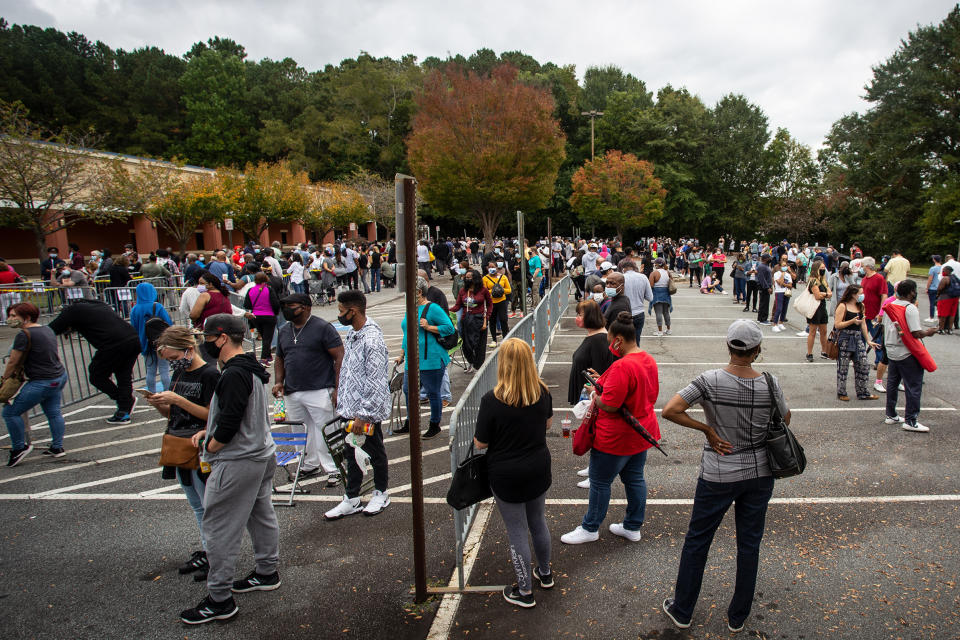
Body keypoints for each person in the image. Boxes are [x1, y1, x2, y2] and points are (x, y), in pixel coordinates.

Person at [661, 319, 789, 633]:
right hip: (760, 472)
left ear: (729, 346)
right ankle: (737, 616)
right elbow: (784, 419)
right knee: (749, 544)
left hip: (718, 472)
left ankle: (683, 609)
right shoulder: (769, 383)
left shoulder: (709, 380)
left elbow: (670, 410)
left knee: (697, 541)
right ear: (757, 350)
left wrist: (707, 428)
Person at [179, 314, 280, 625]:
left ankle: (220, 599)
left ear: (221, 338)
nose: (203, 343)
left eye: (207, 337)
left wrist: (212, 444)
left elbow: (231, 420)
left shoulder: (234, 373)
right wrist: (210, 433)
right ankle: (267, 570)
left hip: (239, 460)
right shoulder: (253, 368)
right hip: (261, 453)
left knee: (219, 527)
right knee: (261, 514)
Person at [561, 311, 659, 545]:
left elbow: (611, 405)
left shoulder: (622, 366)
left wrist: (595, 394)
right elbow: (647, 394)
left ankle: (590, 527)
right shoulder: (647, 359)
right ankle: (632, 525)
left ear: (618, 340)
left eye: (610, 342)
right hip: (641, 432)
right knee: (635, 479)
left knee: (600, 482)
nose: (609, 346)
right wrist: (603, 381)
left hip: (615, 437)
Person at [474, 338, 554, 608]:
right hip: (537, 467)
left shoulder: (492, 400)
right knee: (538, 521)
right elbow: (547, 423)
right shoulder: (542, 392)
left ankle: (524, 591)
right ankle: (545, 574)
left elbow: (481, 443)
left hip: (506, 472)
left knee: (517, 530)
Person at [148, 326, 221, 579]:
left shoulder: (209, 374)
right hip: (178, 444)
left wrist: (179, 401)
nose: (172, 364)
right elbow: (173, 415)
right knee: (197, 506)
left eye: (174, 359)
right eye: (168, 361)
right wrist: (161, 405)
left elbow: (212, 416)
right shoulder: (179, 375)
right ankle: (208, 551)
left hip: (200, 448)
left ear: (188, 349)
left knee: (208, 506)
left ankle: (216, 557)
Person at [324, 290, 392, 519]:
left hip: (365, 413)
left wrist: (363, 414)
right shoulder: (354, 334)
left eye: (341, 311)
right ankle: (351, 497)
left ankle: (381, 492)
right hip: (350, 408)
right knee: (350, 451)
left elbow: (375, 381)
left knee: (374, 451)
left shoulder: (371, 339)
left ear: (353, 311)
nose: (339, 315)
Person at [272, 293, 343, 484]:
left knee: (325, 429)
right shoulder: (285, 330)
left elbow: (339, 357)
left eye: (291, 306)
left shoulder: (322, 328)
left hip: (320, 388)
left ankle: (334, 468)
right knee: (300, 431)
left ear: (306, 307)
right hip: (292, 390)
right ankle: (308, 465)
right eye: (285, 306)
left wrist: (338, 387)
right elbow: (280, 358)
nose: (287, 310)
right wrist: (279, 381)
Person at [48, 298, 140, 423]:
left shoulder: (71, 311)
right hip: (132, 338)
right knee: (123, 375)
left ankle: (125, 402)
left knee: (97, 375)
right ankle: (124, 410)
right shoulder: (98, 304)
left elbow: (50, 330)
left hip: (112, 344)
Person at [2, 303, 68, 466]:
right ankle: (57, 447)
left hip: (43, 381)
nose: (10, 319)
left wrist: (4, 379)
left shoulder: (24, 335)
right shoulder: (46, 329)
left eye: (14, 316)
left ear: (27, 317)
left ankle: (19, 448)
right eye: (10, 315)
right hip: (58, 376)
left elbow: (13, 361)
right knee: (53, 411)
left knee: (10, 413)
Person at [395, 277, 455, 439]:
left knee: (433, 392)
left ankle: (434, 425)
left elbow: (449, 328)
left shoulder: (432, 308)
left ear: (419, 292)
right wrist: (401, 354)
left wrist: (429, 327)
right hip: (412, 360)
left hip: (432, 359)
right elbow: (407, 333)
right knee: (408, 390)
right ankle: (411, 422)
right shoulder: (411, 308)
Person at [883, 279, 938, 432]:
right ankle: (911, 420)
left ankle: (891, 415)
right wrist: (929, 332)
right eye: (914, 291)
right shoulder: (910, 308)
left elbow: (885, 328)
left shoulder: (889, 306)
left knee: (892, 384)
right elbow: (916, 333)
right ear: (911, 292)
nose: (915, 294)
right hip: (906, 352)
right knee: (913, 385)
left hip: (892, 350)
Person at [833, 285, 881, 401]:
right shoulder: (842, 306)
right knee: (843, 367)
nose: (862, 295)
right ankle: (841, 392)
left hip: (858, 338)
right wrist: (852, 321)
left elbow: (863, 324)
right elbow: (837, 324)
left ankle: (863, 392)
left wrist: (868, 340)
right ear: (853, 294)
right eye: (860, 293)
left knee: (863, 365)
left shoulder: (861, 306)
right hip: (845, 338)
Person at [130, 282, 173, 393]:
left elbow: (133, 327)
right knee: (164, 369)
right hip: (161, 341)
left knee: (150, 370)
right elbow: (167, 323)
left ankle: (151, 394)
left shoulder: (135, 309)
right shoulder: (157, 306)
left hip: (144, 342)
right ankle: (167, 392)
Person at [450, 269, 492, 373]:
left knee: (479, 345)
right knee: (466, 345)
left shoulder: (483, 290)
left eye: (469, 277)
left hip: (479, 321)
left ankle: (478, 366)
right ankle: (471, 362)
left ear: (476, 278)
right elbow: (457, 306)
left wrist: (487, 317)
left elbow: (490, 304)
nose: (467, 279)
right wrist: (446, 310)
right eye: (466, 277)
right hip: (466, 321)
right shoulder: (463, 291)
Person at [860, 257, 888, 392]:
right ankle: (861, 360)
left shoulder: (879, 279)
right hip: (864, 314)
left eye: (862, 265)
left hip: (874, 315)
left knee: (877, 340)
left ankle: (879, 362)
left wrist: (881, 312)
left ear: (867, 266)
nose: (861, 267)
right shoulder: (864, 279)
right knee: (861, 340)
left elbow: (884, 295)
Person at [243, 272, 281, 365]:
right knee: (267, 338)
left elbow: (247, 304)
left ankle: (268, 356)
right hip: (269, 315)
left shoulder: (250, 290)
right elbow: (275, 303)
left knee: (264, 336)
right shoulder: (269, 289)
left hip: (255, 316)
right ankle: (264, 358)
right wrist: (275, 313)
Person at [803, 260, 832, 362]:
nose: (823, 270)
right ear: (816, 269)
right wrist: (825, 294)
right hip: (814, 308)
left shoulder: (823, 280)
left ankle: (824, 351)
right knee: (812, 331)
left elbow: (829, 292)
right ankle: (809, 353)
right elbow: (817, 295)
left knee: (824, 331)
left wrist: (824, 294)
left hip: (822, 307)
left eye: (824, 268)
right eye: (821, 269)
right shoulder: (813, 281)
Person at [620, 259, 653, 338]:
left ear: (623, 268)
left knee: (624, 340)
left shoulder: (621, 278)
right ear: (634, 267)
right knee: (636, 340)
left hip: (624, 313)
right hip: (639, 312)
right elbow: (650, 297)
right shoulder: (643, 277)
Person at [483, 262, 511, 348]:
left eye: (493, 267)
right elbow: (484, 291)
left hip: (502, 301)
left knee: (503, 319)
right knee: (492, 321)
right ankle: (494, 339)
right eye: (489, 267)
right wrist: (493, 291)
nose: (491, 268)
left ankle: (505, 338)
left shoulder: (503, 277)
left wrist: (500, 290)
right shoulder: (485, 278)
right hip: (491, 302)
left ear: (496, 267)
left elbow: (509, 290)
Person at [649, 258, 673, 336]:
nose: (654, 264)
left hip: (657, 294)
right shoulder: (668, 272)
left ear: (657, 264)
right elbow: (671, 282)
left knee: (658, 313)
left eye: (655, 263)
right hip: (666, 294)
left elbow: (651, 285)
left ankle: (660, 331)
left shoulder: (654, 273)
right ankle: (668, 329)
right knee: (666, 312)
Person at [935, 265, 959, 334]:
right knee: (952, 314)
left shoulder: (945, 278)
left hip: (945, 298)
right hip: (955, 298)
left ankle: (941, 329)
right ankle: (949, 329)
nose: (942, 272)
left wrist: (937, 295)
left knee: (943, 314)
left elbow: (939, 288)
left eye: (943, 270)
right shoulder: (955, 277)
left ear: (947, 271)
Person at [771, 261, 792, 332]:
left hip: (786, 292)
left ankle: (781, 322)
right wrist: (782, 275)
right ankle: (775, 324)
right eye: (783, 266)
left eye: (785, 265)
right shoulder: (776, 274)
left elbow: (790, 285)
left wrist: (784, 284)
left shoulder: (788, 275)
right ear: (780, 267)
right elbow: (779, 283)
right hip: (779, 292)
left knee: (784, 308)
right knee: (779, 308)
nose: (784, 267)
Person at [755, 256, 774, 325]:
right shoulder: (762, 266)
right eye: (769, 258)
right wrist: (767, 287)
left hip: (766, 286)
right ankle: (763, 319)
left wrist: (771, 286)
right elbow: (762, 278)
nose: (770, 259)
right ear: (765, 259)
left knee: (763, 303)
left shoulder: (765, 266)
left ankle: (760, 318)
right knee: (764, 304)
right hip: (764, 287)